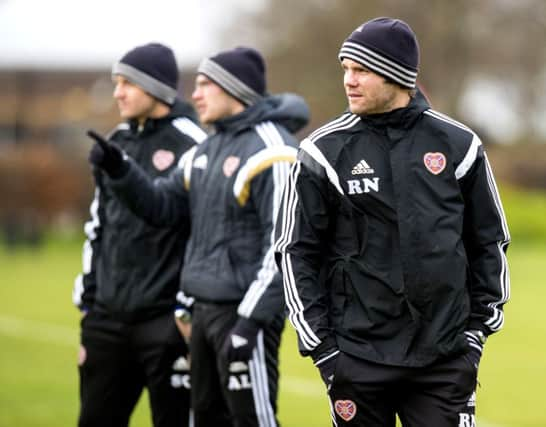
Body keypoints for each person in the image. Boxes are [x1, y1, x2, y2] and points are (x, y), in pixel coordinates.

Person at [274, 17, 510, 427]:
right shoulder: (322, 152)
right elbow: (295, 252)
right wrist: (325, 350)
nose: (349, 80)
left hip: (444, 359)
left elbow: (489, 242)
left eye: (361, 70)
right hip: (357, 360)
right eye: (345, 69)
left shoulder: (459, 145)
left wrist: (475, 336)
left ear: (398, 76)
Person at [86, 46, 310, 427]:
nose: (195, 94)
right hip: (201, 314)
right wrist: (120, 169)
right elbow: (161, 206)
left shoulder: (274, 151)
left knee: (252, 419)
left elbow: (282, 248)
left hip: (242, 316)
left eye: (205, 84)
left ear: (233, 89)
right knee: (205, 418)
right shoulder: (206, 150)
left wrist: (250, 322)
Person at [73, 42, 207, 427]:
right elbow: (98, 225)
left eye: (126, 83)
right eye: (116, 83)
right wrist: (90, 302)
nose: (117, 92)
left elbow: (203, 233)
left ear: (156, 88)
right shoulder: (114, 142)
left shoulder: (194, 144)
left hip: (165, 323)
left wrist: (184, 309)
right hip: (107, 321)